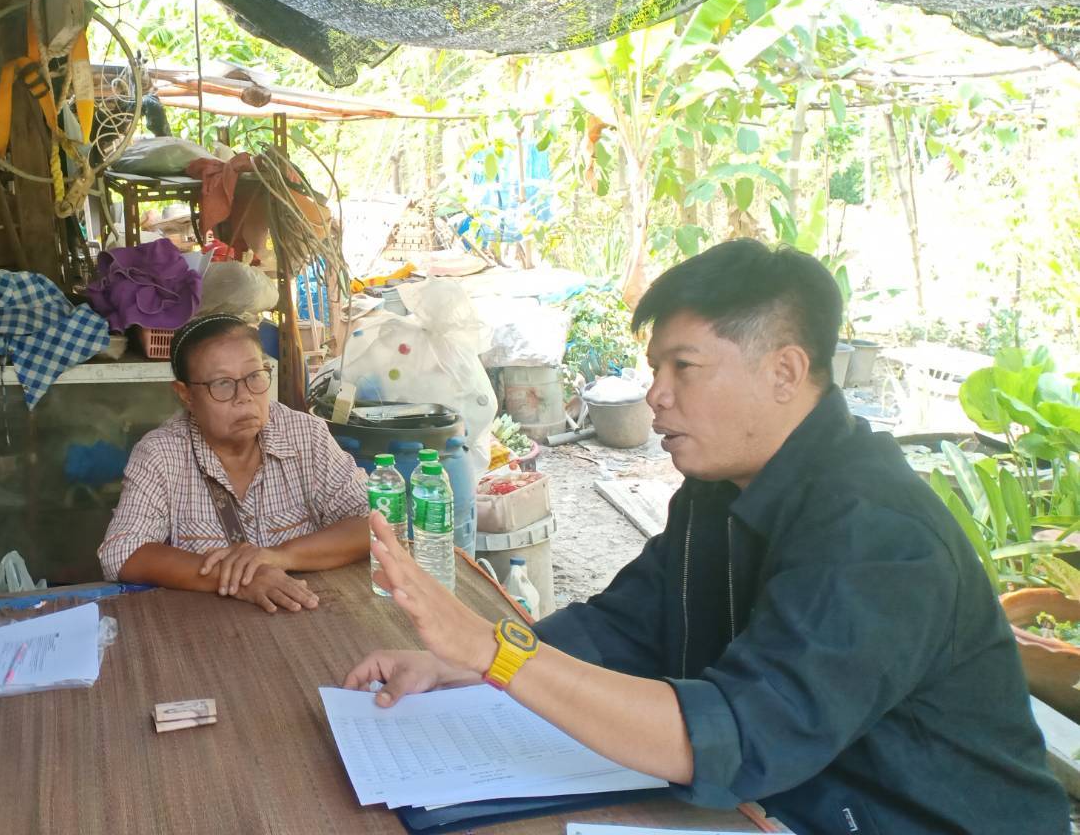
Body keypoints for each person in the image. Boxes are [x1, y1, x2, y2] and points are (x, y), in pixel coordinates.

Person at [346, 240, 1067, 834]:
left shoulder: (877, 535)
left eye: (683, 367)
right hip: (772, 808)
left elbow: (740, 735)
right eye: (655, 367)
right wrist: (461, 671)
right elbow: (620, 627)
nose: (655, 392)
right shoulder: (720, 492)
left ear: (785, 371)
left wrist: (493, 650)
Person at [98, 313, 369, 612]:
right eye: (222, 384)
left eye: (255, 376)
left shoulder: (306, 435)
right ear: (185, 394)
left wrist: (277, 557)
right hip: (207, 632)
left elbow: (373, 524)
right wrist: (237, 578)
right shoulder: (161, 454)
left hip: (305, 614)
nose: (244, 398)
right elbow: (122, 553)